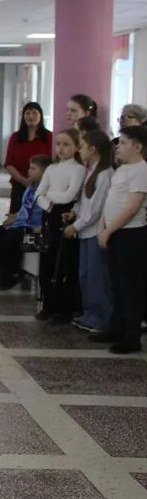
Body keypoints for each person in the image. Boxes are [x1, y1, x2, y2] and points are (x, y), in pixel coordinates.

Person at [92, 125, 147, 354]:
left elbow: (132, 208)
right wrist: (102, 226)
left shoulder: (141, 170)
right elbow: (111, 200)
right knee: (115, 284)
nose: (118, 147)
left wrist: (109, 230)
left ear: (138, 147)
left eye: (123, 143)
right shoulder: (122, 169)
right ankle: (116, 327)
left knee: (130, 287)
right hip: (114, 232)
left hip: (131, 235)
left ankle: (131, 337)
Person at [63, 130, 114, 334]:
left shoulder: (105, 174)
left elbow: (95, 210)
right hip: (85, 231)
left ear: (93, 149)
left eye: (82, 146)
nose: (79, 150)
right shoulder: (91, 170)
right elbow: (84, 201)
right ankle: (89, 313)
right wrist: (74, 213)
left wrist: (75, 226)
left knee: (97, 277)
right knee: (84, 274)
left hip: (94, 232)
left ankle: (102, 318)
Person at [34, 128, 85, 323]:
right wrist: (47, 202)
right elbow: (38, 194)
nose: (61, 148)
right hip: (49, 214)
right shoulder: (51, 168)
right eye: (58, 144)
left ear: (77, 147)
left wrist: (49, 195)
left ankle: (63, 309)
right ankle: (48, 305)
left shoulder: (78, 169)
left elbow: (69, 196)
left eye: (66, 144)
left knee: (63, 263)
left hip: (65, 215)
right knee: (46, 261)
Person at [0, 155, 50, 291]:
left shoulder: (46, 191)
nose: (29, 171)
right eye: (29, 168)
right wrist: (14, 216)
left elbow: (44, 212)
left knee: (12, 237)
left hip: (32, 226)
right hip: (20, 222)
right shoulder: (30, 187)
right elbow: (25, 207)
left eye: (33, 169)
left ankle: (13, 272)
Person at [3, 102, 53, 213]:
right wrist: (24, 181)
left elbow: (52, 162)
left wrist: (40, 182)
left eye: (34, 113)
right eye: (27, 113)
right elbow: (9, 163)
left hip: (43, 186)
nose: (31, 116)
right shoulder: (15, 137)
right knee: (16, 217)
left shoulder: (49, 137)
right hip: (19, 184)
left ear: (41, 116)